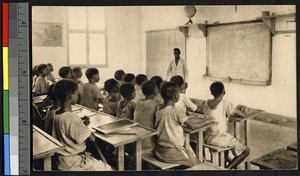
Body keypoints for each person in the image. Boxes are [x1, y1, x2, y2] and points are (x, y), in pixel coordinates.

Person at [52, 79, 112, 171]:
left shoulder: (56, 114)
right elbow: (92, 138)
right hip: (74, 163)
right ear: (70, 95)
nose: (78, 95)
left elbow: (68, 129)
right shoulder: (72, 117)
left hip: (62, 160)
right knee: (108, 168)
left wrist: (81, 124)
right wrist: (84, 126)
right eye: (76, 92)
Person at [154, 82, 207, 167]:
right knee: (198, 164)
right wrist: (208, 121)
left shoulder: (158, 109)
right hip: (172, 152)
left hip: (159, 150)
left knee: (190, 154)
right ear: (176, 96)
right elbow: (193, 126)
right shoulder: (177, 110)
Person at [202, 81, 250, 169]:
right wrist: (243, 109)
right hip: (219, 138)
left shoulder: (207, 103)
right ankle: (226, 170)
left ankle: (223, 166)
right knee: (246, 151)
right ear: (224, 91)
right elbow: (242, 115)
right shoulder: (225, 103)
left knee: (227, 147)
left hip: (209, 138)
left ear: (211, 92)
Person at [134, 80, 159, 154]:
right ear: (155, 91)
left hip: (137, 139)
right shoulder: (155, 103)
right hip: (148, 142)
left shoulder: (139, 103)